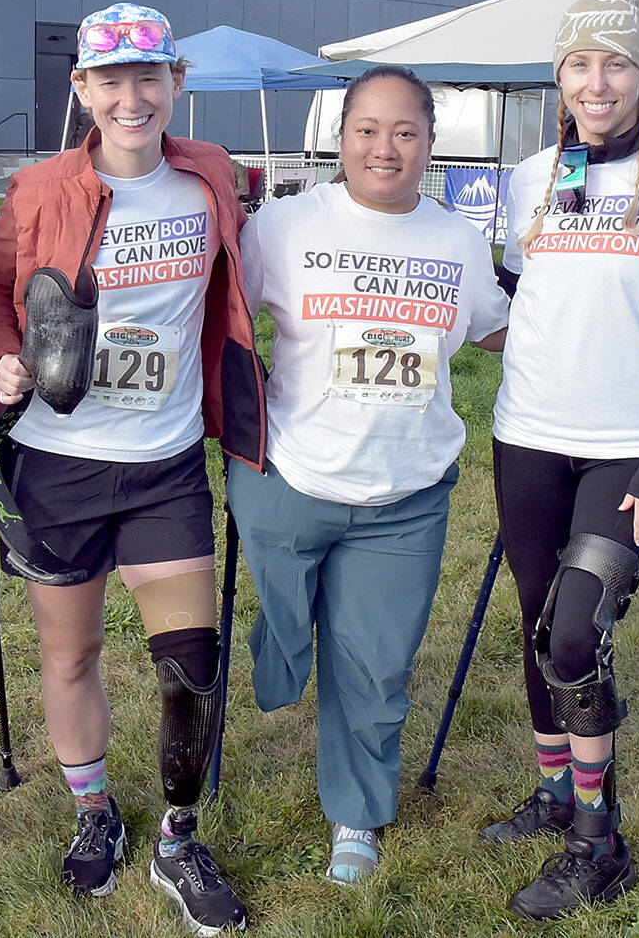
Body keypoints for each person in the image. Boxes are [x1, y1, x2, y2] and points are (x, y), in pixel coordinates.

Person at [0, 2, 266, 937]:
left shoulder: (209, 176)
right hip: (56, 465)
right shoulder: (36, 190)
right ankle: (95, 811)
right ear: (82, 89)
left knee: (191, 666)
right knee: (73, 652)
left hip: (165, 465)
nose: (131, 97)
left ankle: (178, 838)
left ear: (175, 80)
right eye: (111, 79)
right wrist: (2, 355)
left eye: (149, 76)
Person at [226, 64, 509, 885]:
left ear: (428, 144)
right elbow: (223, 322)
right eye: (368, 130)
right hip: (289, 482)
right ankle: (286, 647)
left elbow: (494, 330)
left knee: (376, 665)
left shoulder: (457, 240)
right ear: (340, 137)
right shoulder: (280, 228)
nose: (385, 148)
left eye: (406, 132)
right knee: (285, 642)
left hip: (405, 496)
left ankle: (355, 816)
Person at [485, 0, 639, 920]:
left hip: (626, 450)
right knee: (534, 623)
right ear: (560, 76)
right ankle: (554, 793)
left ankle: (600, 839)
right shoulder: (530, 177)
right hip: (528, 437)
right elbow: (516, 297)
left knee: (576, 632)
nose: (598, 82)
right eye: (581, 64)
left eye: (617, 63)